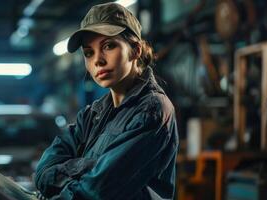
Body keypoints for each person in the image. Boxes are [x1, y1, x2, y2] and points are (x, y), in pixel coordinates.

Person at [35, 2, 179, 200]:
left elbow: (97, 191)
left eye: (108, 46)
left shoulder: (152, 110)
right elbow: (43, 171)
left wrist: (75, 169)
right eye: (88, 52)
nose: (97, 60)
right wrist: (90, 166)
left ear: (135, 50)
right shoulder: (92, 113)